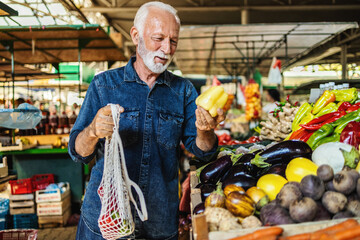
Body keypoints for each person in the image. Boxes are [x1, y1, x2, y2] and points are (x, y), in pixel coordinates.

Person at [68, 2, 225, 240]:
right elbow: (78, 153)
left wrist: (205, 131)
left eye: (173, 41)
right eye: (158, 38)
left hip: (158, 222)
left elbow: (203, 152)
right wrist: (92, 132)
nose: (166, 48)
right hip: (105, 222)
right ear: (135, 35)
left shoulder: (182, 90)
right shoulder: (103, 85)